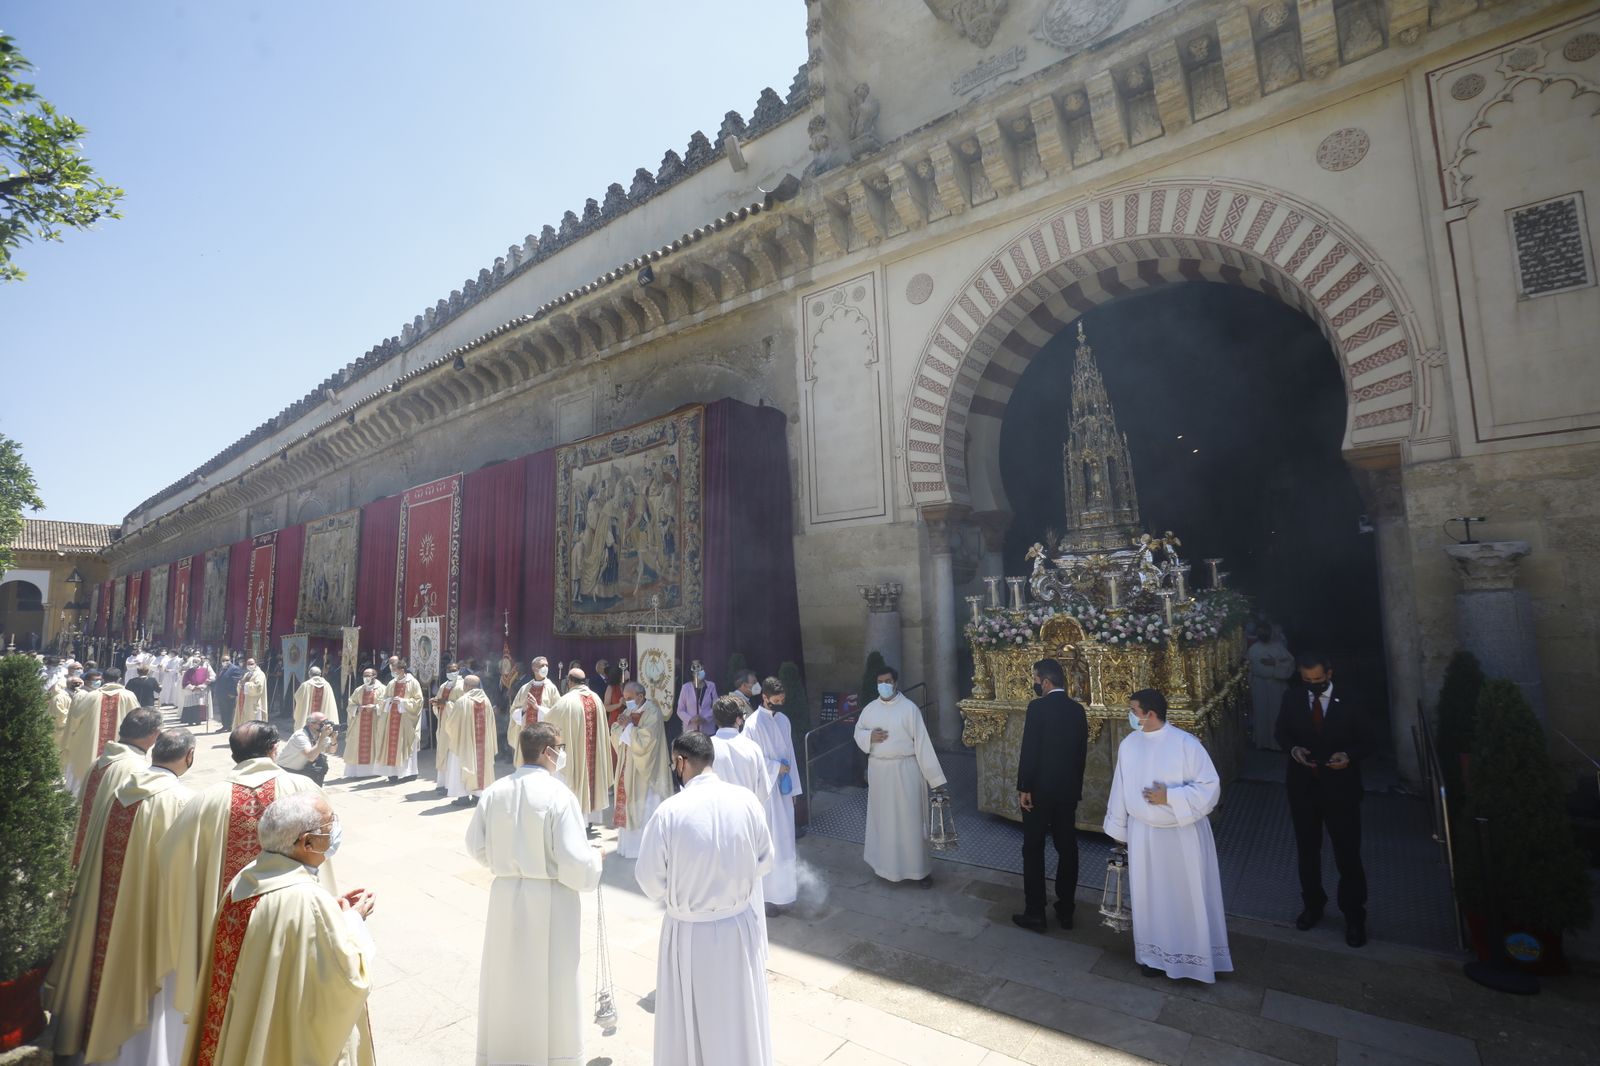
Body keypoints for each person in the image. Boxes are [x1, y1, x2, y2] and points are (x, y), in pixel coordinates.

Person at [181, 792, 377, 1066]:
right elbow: (349, 978)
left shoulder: (247, 875)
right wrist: (354, 920)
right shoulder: (305, 899)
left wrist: (329, 915)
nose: (335, 831)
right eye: (329, 825)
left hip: (240, 1021)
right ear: (307, 842)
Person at [153, 721, 327, 1020]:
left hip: (221, 926)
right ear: (274, 750)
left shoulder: (207, 799)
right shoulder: (302, 788)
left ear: (234, 754)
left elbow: (169, 857)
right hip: (290, 919)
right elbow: (328, 846)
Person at [467, 722, 604, 1066]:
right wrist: (595, 862)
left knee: (506, 975)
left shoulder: (496, 790)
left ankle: (506, 1053)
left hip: (506, 893)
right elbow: (574, 861)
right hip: (551, 897)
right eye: (560, 746)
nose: (563, 753)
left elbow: (474, 844)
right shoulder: (559, 794)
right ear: (547, 751)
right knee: (553, 979)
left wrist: (503, 863)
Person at [636, 731, 773, 1066]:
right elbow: (765, 861)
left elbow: (649, 880)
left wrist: (685, 889)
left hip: (689, 932)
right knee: (740, 1015)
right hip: (739, 927)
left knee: (691, 1023)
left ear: (681, 762)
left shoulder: (670, 811)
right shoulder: (746, 802)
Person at [67, 729, 195, 1065]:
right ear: (189, 756)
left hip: (107, 910)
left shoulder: (120, 792)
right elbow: (184, 873)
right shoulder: (179, 801)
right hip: (148, 918)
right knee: (154, 991)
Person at [44, 710, 164, 1059]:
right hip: (111, 873)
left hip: (84, 862)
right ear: (153, 737)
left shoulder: (103, 761)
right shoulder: (135, 771)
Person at [1103, 688, 1233, 982]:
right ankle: (1153, 956)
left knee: (1185, 896)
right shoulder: (1129, 744)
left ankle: (1193, 960)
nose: (1130, 716)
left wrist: (1170, 797)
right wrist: (1119, 830)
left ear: (1150, 714)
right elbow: (1120, 787)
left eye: (1134, 711)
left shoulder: (1186, 744)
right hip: (1144, 834)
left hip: (1180, 835)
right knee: (1150, 895)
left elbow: (1210, 786)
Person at [1275, 652, 1374, 948]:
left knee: (1347, 854)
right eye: (1307, 681)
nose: (1313, 685)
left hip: (1341, 788)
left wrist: (1349, 756)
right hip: (1304, 787)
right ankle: (1313, 904)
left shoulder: (1352, 700)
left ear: (1329, 674)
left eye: (1317, 680)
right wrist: (1294, 750)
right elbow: (1282, 733)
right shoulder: (1293, 698)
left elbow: (1369, 740)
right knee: (1307, 850)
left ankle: (1354, 916)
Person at [1012, 658, 1088, 932]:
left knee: (1033, 848)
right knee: (1067, 848)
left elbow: (1030, 750)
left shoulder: (1038, 707)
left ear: (1045, 681)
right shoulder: (1077, 710)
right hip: (1066, 791)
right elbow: (1081, 754)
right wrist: (1073, 788)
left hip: (1038, 791)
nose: (1033, 683)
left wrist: (1024, 787)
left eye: (1034, 678)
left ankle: (1035, 912)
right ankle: (1066, 911)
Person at [854, 665, 947, 885]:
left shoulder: (909, 709)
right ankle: (885, 868)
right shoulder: (869, 709)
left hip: (906, 772)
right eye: (879, 682)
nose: (883, 686)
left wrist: (935, 779)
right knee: (884, 820)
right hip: (880, 773)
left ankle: (919, 871)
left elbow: (922, 743)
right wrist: (869, 737)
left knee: (911, 821)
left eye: (887, 681)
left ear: (895, 683)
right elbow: (858, 732)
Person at [68, 708, 162, 870]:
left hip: (86, 851)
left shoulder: (99, 761)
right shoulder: (138, 771)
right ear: (155, 734)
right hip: (110, 861)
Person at [742, 677, 804, 913]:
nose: (779, 704)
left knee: (785, 841)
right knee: (769, 841)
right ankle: (767, 896)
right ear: (764, 697)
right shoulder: (752, 724)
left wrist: (795, 788)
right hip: (765, 792)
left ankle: (785, 892)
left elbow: (791, 753)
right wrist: (775, 767)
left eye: (782, 700)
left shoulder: (784, 720)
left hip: (784, 789)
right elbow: (751, 759)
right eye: (775, 700)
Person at [610, 679, 673, 859]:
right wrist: (621, 727)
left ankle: (645, 850)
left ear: (641, 696)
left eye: (629, 697)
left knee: (645, 807)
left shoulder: (652, 711)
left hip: (647, 771)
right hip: (627, 767)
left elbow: (648, 740)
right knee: (628, 802)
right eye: (624, 697)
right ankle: (628, 847)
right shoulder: (629, 710)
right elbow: (615, 730)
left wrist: (628, 726)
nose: (626, 701)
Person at [546, 667, 614, 825]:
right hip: (594, 756)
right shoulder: (596, 698)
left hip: (577, 756)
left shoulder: (567, 700)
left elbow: (549, 720)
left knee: (574, 783)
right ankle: (589, 820)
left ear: (569, 681)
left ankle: (578, 822)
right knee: (592, 780)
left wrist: (537, 709)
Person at [61, 666, 140, 796]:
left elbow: (75, 719)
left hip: (89, 745)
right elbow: (138, 720)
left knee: (86, 778)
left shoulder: (91, 696)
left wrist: (70, 739)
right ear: (119, 679)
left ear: (103, 679)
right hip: (119, 745)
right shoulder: (129, 696)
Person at [441, 674, 497, 805]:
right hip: (482, 746)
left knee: (462, 766)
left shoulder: (462, 701)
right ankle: (478, 796)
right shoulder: (486, 701)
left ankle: (463, 797)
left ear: (466, 686)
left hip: (465, 744)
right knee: (481, 768)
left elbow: (451, 724)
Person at [709, 694, 773, 799]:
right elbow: (764, 791)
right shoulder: (753, 748)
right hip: (747, 812)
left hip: (717, 813)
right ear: (738, 720)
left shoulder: (706, 747)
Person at [1247, 627, 1294, 750]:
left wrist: (1275, 663)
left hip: (1276, 685)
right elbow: (1249, 668)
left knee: (1276, 713)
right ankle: (1262, 742)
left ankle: (1278, 744)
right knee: (1261, 713)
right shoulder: (1253, 649)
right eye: (1261, 631)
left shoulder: (1279, 647)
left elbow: (1290, 663)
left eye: (1266, 631)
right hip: (1259, 685)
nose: (1264, 634)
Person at [507, 656, 557, 768]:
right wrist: (524, 709)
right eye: (541, 665)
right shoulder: (525, 688)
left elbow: (557, 714)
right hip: (526, 735)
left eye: (547, 665)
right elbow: (513, 711)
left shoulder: (552, 688)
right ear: (534, 668)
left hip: (544, 736)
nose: (545, 668)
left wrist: (537, 707)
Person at [378, 660, 423, 782]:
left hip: (406, 721)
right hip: (391, 719)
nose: (392, 673)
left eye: (394, 670)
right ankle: (393, 774)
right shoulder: (392, 683)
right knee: (392, 746)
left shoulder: (413, 683)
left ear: (402, 670)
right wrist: (389, 701)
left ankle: (409, 773)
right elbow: (384, 699)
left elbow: (419, 701)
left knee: (406, 746)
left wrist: (403, 702)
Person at [344, 667, 385, 778]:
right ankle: (357, 773)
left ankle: (374, 772)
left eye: (368, 675)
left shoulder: (382, 689)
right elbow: (350, 704)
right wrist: (357, 708)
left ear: (374, 676)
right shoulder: (359, 690)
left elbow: (386, 705)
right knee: (356, 746)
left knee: (374, 745)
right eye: (364, 675)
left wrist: (375, 707)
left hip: (375, 724)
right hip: (359, 725)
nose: (366, 678)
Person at [279, 711, 339, 786]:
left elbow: (332, 750)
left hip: (303, 771)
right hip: (286, 771)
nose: (326, 725)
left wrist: (333, 739)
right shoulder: (301, 736)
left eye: (327, 722)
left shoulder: (322, 734)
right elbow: (311, 757)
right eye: (322, 723)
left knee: (322, 764)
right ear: (311, 724)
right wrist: (322, 738)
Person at [293, 665, 341, 730]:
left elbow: (297, 697)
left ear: (310, 674)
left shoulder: (305, 685)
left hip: (307, 716)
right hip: (322, 717)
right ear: (320, 674)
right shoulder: (327, 685)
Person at [676, 660, 716, 737]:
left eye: (701, 669)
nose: (699, 672)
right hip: (690, 730)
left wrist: (705, 718)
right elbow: (680, 710)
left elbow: (716, 706)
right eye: (696, 669)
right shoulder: (686, 688)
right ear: (692, 672)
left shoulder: (711, 686)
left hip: (707, 730)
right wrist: (691, 719)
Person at [181, 654, 215, 729]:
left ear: (199, 662)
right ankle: (190, 721)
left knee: (199, 706)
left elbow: (207, 680)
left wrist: (201, 686)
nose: (195, 663)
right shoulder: (188, 671)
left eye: (196, 662)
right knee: (191, 706)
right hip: (191, 691)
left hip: (200, 691)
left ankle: (198, 720)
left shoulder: (204, 670)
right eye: (194, 661)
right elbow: (185, 681)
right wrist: (192, 687)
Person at [213, 656, 244, 730]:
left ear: (230, 660)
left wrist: (232, 693)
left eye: (227, 660)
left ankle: (230, 726)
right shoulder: (222, 668)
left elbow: (235, 681)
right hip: (221, 693)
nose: (225, 662)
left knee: (229, 710)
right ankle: (224, 725)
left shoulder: (234, 669)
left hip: (229, 694)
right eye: (223, 660)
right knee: (223, 710)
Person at [236, 657, 269, 724]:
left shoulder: (260, 674)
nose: (250, 665)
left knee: (253, 724)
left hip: (254, 703)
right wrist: (240, 684)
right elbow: (241, 684)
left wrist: (245, 684)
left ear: (255, 664)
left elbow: (258, 688)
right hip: (244, 701)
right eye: (248, 664)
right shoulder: (247, 674)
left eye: (251, 664)